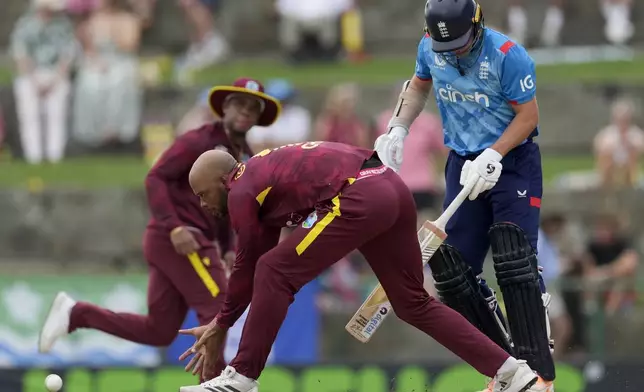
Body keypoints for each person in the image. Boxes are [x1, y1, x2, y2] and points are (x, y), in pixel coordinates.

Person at [176, 142, 539, 392]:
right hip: (391, 189)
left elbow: (249, 268)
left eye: (202, 194)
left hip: (359, 195)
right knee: (413, 303)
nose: (203, 205)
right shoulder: (259, 183)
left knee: (274, 269)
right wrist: (222, 324)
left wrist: (221, 325)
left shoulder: (241, 189)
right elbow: (253, 265)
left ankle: (241, 378)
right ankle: (512, 372)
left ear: (223, 180)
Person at [37, 78, 281, 380]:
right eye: (240, 104)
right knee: (217, 311)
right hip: (183, 239)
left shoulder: (243, 154)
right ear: (225, 107)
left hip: (176, 242)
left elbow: (226, 206)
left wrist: (229, 247)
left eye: (253, 108)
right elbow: (156, 177)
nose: (246, 112)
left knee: (160, 330)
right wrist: (175, 227)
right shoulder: (199, 140)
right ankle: (219, 387)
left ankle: (77, 314)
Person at [373, 1, 553, 391]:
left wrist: (494, 154)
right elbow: (418, 86)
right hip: (461, 163)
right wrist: (399, 128)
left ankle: (540, 370)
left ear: (477, 23)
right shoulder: (430, 46)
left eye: (459, 41)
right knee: (454, 274)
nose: (453, 50)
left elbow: (529, 116)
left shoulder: (508, 55)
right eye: (445, 44)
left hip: (512, 161)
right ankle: (505, 369)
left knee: (514, 258)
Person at [10, 0, 77, 164]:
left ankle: (55, 157)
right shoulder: (24, 25)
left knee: (57, 113)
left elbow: (67, 57)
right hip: (30, 75)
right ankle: (34, 157)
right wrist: (35, 81)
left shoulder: (64, 26)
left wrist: (54, 80)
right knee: (29, 113)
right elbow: (21, 56)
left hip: (55, 76)